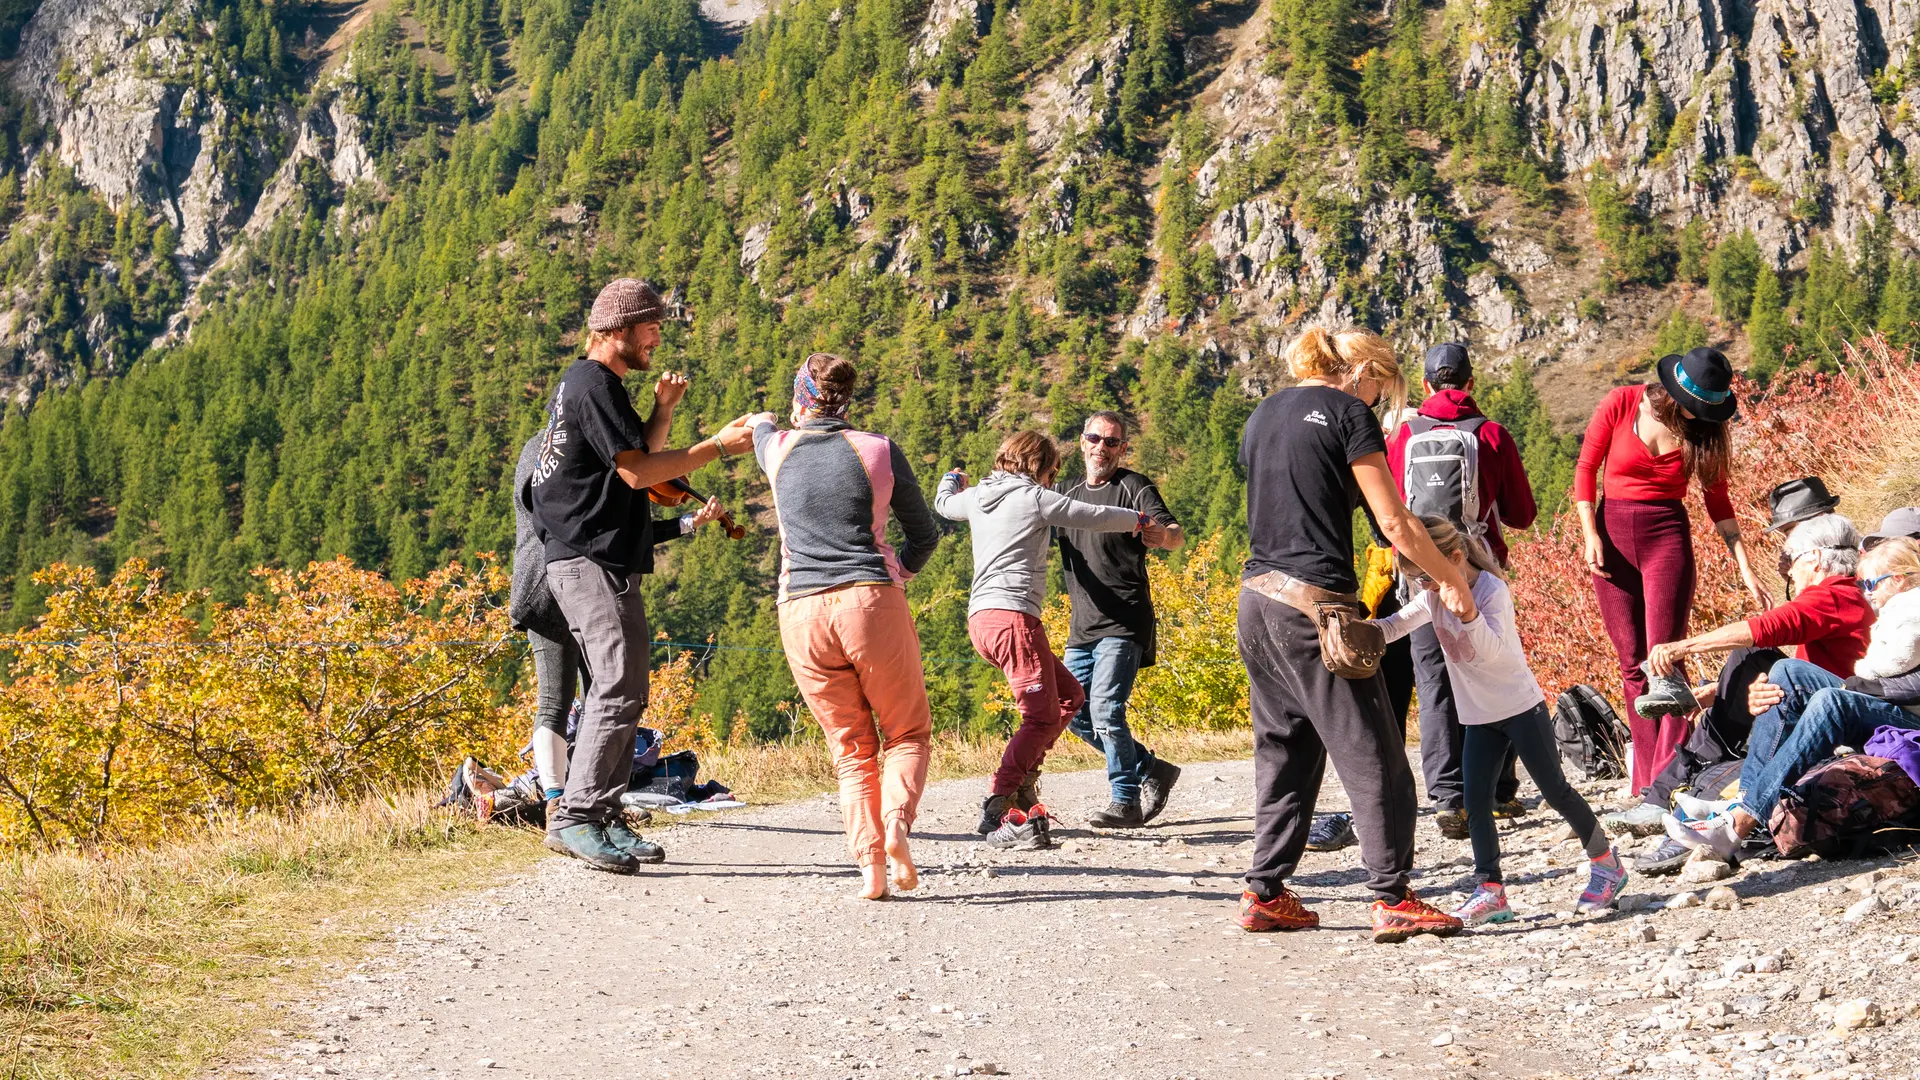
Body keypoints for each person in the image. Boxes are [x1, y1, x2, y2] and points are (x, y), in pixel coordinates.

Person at [1233, 325, 1473, 943]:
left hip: (1257, 601)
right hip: (1315, 609)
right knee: (1376, 753)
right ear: (1364, 372)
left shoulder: (1263, 414)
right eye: (1380, 390)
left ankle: (1266, 892)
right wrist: (1450, 578)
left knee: (1285, 750)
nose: (1377, 401)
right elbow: (1392, 520)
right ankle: (1394, 896)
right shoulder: (1347, 413)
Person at [529, 277, 765, 874]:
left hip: (597, 559)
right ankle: (576, 816)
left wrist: (662, 411)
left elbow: (638, 461)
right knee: (615, 685)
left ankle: (604, 813)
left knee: (627, 689)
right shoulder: (593, 384)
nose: (657, 337)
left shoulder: (593, 384)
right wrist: (718, 446)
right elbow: (638, 476)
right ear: (618, 329)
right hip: (588, 560)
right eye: (651, 327)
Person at [1368, 516, 1626, 924]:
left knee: (1556, 791)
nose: (1424, 587)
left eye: (1427, 577)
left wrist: (1469, 615)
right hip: (1479, 717)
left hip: (1521, 709)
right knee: (1475, 804)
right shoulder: (1433, 596)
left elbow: (1492, 654)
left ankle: (1607, 864)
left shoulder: (1492, 591)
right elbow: (1396, 625)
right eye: (1417, 580)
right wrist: (1360, 631)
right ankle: (1491, 890)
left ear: (1454, 558)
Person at [753, 353, 942, 899]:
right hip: (870, 601)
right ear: (847, 400)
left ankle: (870, 869)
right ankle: (897, 825)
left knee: (851, 746)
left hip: (801, 611)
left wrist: (763, 419)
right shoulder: (878, 449)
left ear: (800, 399)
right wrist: (898, 573)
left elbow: (759, 428)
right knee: (906, 733)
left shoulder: (777, 448)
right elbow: (925, 534)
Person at [1604, 481, 1863, 851]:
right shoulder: (1838, 584)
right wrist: (1726, 690)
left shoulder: (1837, 592)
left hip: (1841, 706)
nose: (1786, 559)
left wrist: (1681, 647)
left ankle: (1694, 799)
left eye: (1792, 545)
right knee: (1753, 666)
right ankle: (1677, 792)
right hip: (1830, 690)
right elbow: (1806, 649)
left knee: (1756, 658)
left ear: (1816, 555)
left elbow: (1766, 628)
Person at [937, 431, 1165, 847]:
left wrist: (952, 480)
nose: (1052, 479)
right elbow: (1092, 515)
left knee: (1070, 697)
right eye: (1052, 471)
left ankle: (1024, 782)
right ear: (1039, 466)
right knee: (1041, 718)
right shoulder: (1034, 498)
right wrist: (1138, 520)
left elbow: (944, 504)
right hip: (1014, 618)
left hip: (983, 619)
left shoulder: (977, 496)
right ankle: (1000, 802)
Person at [1574, 346, 1768, 797]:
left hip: (1666, 536)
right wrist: (1590, 534)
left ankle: (1671, 776)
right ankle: (1645, 781)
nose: (1704, 415)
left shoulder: (1706, 430)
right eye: (1698, 405)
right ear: (1676, 391)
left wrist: (1745, 566)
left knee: (1665, 660)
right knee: (1631, 662)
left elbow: (1717, 499)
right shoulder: (1622, 402)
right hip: (1611, 534)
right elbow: (1586, 468)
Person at [510, 415, 724, 811]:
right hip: (561, 586)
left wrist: (688, 522)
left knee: (573, 698)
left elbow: (617, 532)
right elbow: (608, 533)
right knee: (586, 697)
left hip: (544, 586)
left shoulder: (546, 450)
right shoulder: (577, 456)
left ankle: (570, 797)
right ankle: (571, 799)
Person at [1664, 537, 1920, 861]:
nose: (1867, 593)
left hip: (1910, 717)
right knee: (1786, 671)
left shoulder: (1911, 606)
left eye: (1871, 584)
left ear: (1897, 579)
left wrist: (1859, 680)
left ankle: (1736, 825)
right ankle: (1744, 797)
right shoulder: (1898, 608)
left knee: (1830, 701)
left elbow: (1891, 665)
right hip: (1892, 704)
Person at [1384, 342, 1538, 840]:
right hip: (1475, 571)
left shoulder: (1403, 435)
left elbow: (1384, 509)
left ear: (1425, 385)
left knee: (1433, 683)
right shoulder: (1490, 433)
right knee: (1494, 669)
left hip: (1419, 574)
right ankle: (1498, 791)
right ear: (1471, 384)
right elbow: (1521, 514)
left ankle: (1449, 800)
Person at [1055, 410, 1186, 828]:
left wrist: (1162, 536)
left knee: (1106, 710)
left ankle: (1125, 800)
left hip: (1125, 620)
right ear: (1082, 442)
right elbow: (1023, 508)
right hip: (1082, 627)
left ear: (1123, 448)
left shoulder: (1133, 486)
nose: (1102, 448)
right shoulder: (1065, 493)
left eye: (1112, 442)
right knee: (1069, 711)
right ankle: (1151, 768)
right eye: (1095, 439)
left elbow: (1175, 533)